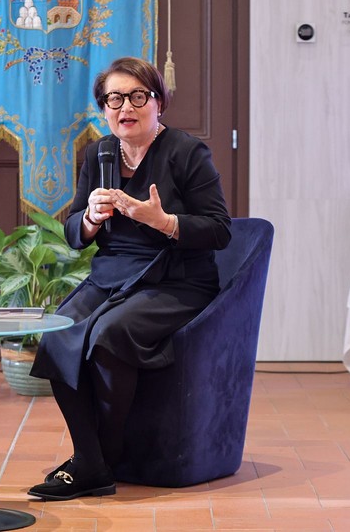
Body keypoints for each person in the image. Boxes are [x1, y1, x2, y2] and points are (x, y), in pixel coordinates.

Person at [27, 56, 232, 501]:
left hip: (176, 279)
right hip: (112, 276)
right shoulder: (98, 153)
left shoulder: (186, 152)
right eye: (115, 99)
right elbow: (73, 234)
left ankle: (96, 461)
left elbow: (220, 230)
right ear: (104, 108)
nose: (127, 107)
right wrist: (89, 218)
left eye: (139, 96)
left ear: (158, 102)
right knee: (57, 334)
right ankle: (92, 461)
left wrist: (164, 222)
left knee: (108, 334)